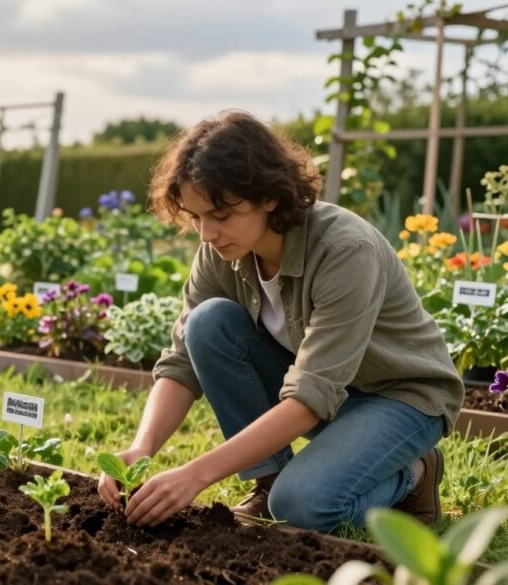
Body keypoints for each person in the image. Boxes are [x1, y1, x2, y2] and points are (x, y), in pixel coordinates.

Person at [97, 110, 464, 532]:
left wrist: (196, 474)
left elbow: (310, 397)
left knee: (301, 508)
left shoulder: (345, 250)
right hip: (330, 395)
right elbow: (181, 360)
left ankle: (412, 475)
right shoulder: (222, 249)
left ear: (268, 197)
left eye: (221, 214)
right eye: (197, 217)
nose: (206, 234)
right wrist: (140, 449)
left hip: (401, 397)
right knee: (207, 322)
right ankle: (268, 481)